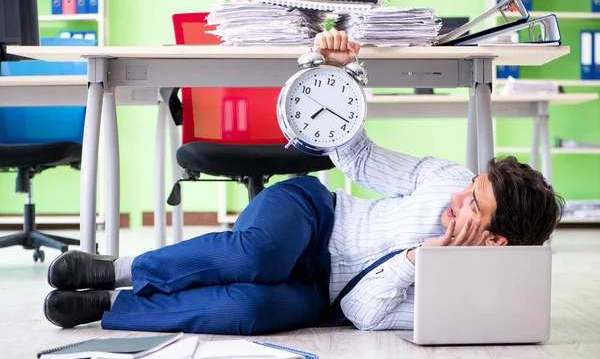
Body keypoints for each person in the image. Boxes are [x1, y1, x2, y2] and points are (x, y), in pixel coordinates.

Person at [43, 29, 564, 335]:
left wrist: (419, 259)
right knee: (258, 258)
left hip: (322, 294)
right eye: (470, 185)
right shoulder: (446, 180)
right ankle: (118, 270)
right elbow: (359, 160)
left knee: (248, 307)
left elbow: (363, 314)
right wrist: (338, 78)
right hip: (315, 215)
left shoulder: (470, 293)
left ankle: (113, 308)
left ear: (495, 240)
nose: (458, 196)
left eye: (473, 203)